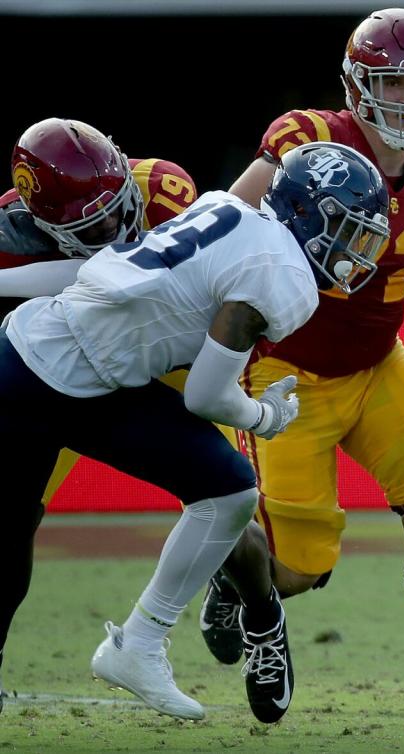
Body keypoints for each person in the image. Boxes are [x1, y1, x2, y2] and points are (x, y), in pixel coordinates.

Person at [199, 7, 404, 724]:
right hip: (284, 373)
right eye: (393, 83)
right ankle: (236, 579)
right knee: (300, 570)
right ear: (357, 84)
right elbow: (220, 226)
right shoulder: (308, 139)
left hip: (377, 364)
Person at [0, 140, 390, 720]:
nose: (358, 251)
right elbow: (208, 394)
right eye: (349, 230)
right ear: (308, 215)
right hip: (51, 380)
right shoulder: (284, 276)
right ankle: (141, 641)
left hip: (49, 360)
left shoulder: (224, 207)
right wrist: (268, 417)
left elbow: (108, 268)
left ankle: (139, 645)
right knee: (225, 494)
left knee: (227, 491)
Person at [0, 117, 198, 712]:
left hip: (162, 365)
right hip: (58, 380)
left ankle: (260, 619)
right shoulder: (11, 231)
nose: (114, 228)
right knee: (11, 520)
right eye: (91, 224)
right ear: (41, 223)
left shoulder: (164, 187)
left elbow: (148, 282)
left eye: (118, 209)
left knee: (228, 492)